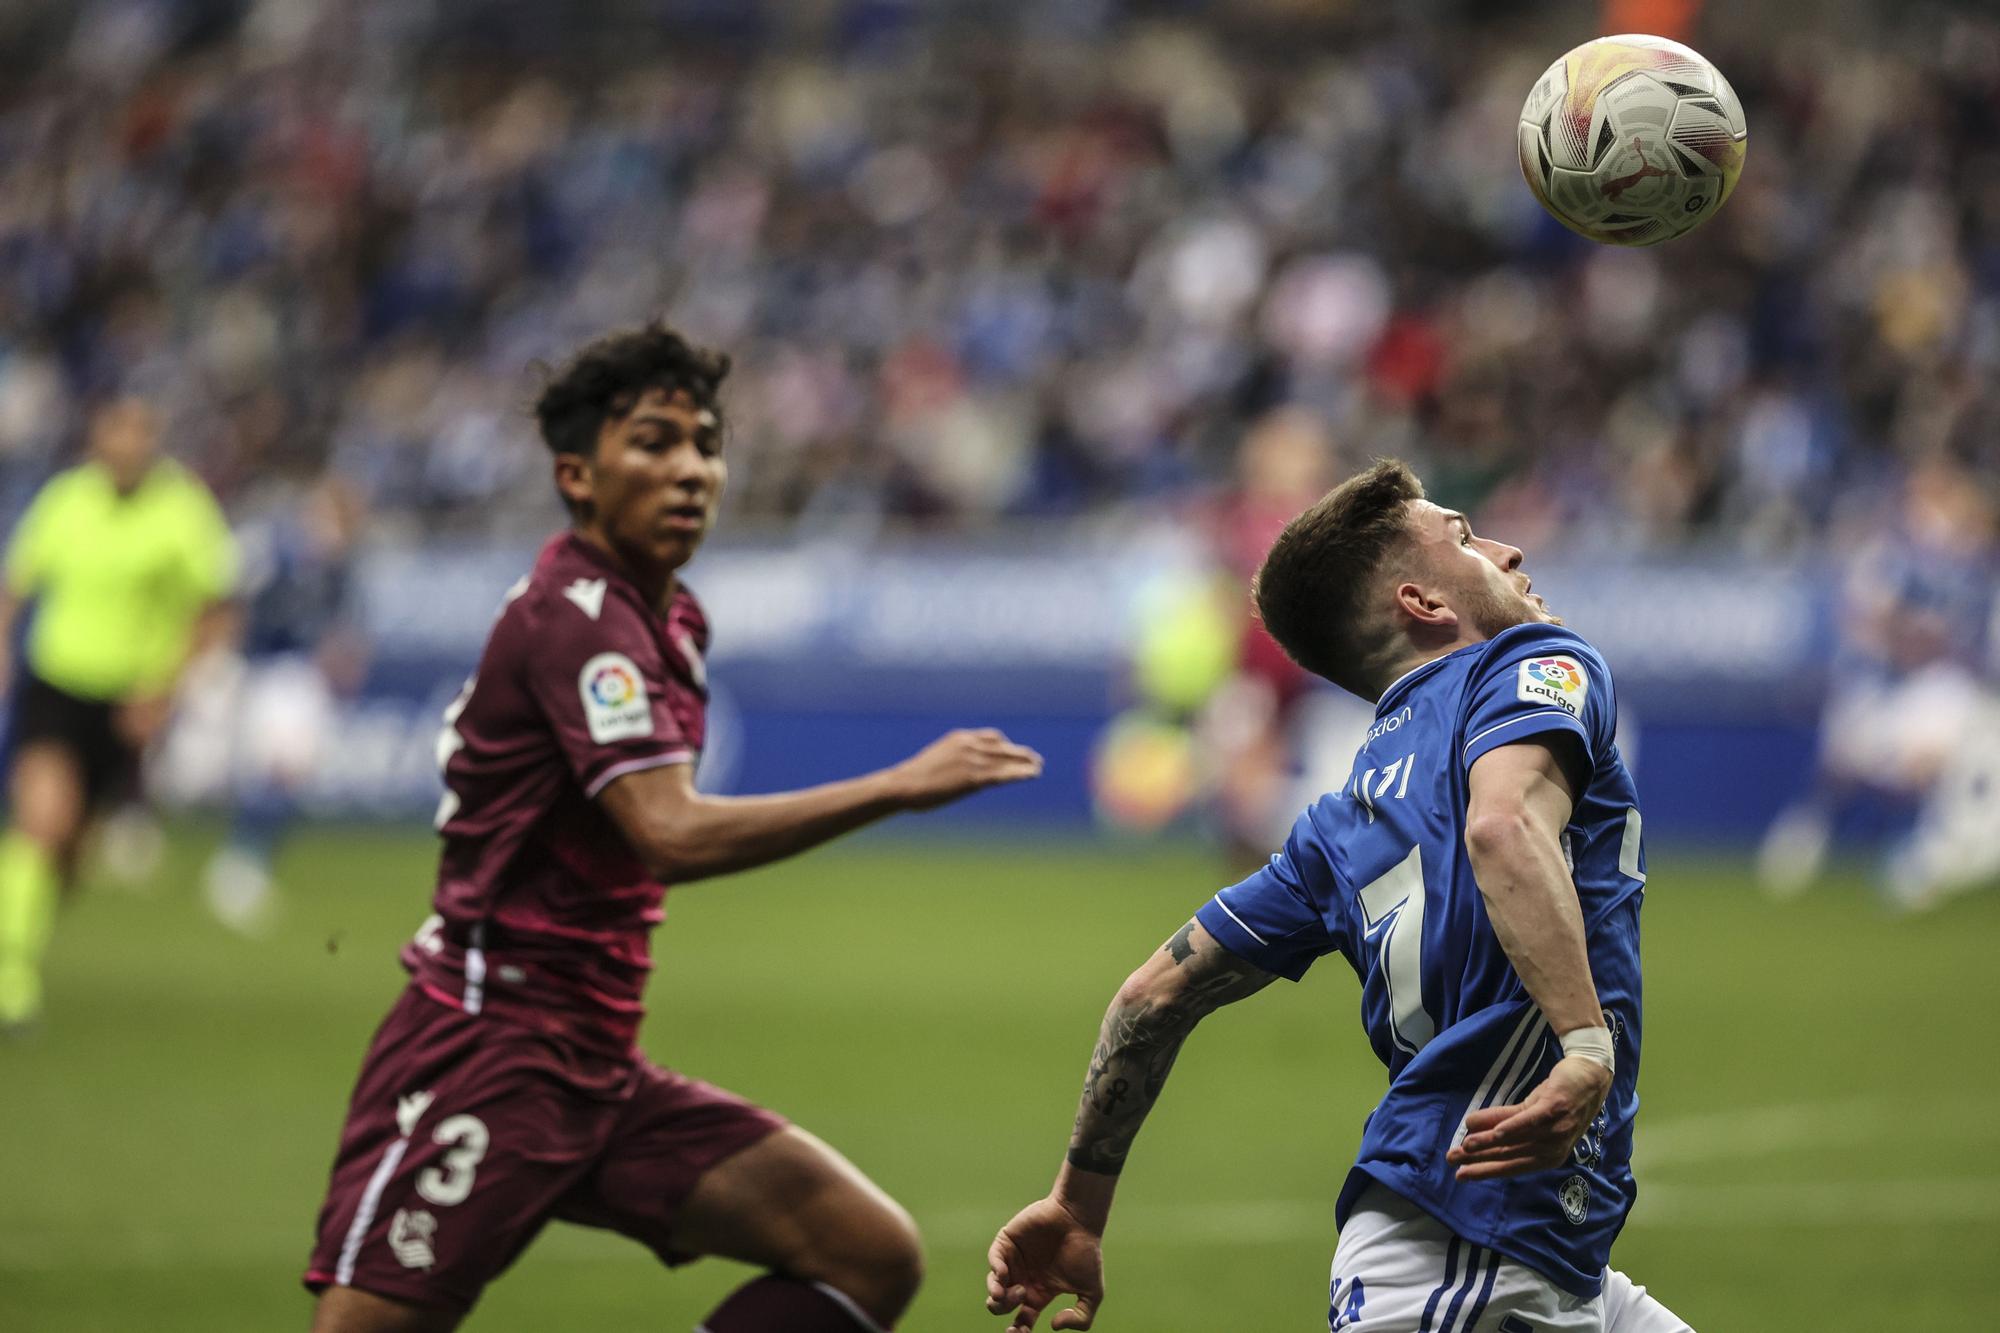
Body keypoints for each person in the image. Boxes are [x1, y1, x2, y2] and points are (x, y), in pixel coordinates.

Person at [303, 322, 1043, 1333]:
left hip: (593, 1062)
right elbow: (668, 831)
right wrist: (893, 787)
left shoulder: (670, 617)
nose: (691, 469)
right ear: (576, 472)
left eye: (705, 442)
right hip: (490, 1049)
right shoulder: (575, 617)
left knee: (865, 1255)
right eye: (653, 442)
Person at [987, 460, 1687, 1332]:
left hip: (1519, 1257)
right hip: (1473, 1252)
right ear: (1423, 603)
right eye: (1467, 538)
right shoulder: (1533, 663)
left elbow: (1149, 996)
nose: (1509, 551)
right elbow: (1501, 828)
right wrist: (1584, 1045)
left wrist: (1077, 1204)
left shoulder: (1336, 823)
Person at [0, 397, 237, 1031]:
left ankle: (19, 939)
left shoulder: (183, 510)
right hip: (54, 682)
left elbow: (213, 609)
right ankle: (9, 976)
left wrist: (164, 694)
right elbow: (16, 584)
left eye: (136, 433)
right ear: (97, 438)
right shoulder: (67, 498)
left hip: (127, 703)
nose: (124, 446)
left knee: (71, 852)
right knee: (41, 822)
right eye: (114, 433)